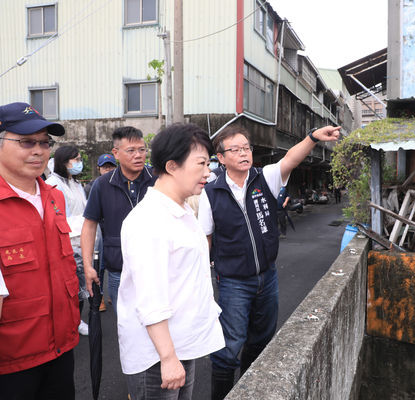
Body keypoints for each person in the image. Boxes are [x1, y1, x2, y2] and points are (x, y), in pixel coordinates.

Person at [198, 124, 340, 400]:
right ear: (221, 157)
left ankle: (249, 391)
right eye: (235, 149)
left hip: (268, 276)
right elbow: (206, 240)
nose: (243, 153)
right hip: (233, 282)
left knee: (261, 339)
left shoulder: (265, 178)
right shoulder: (210, 191)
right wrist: (204, 284)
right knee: (229, 347)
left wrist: (311, 138)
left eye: (246, 148)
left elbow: (291, 159)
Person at [118, 123, 224, 399]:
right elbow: (150, 297)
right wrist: (167, 357)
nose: (207, 172)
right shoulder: (149, 220)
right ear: (172, 166)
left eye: (208, 164)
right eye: (201, 164)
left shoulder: (182, 209)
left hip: (180, 345)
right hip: (157, 357)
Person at [0, 102, 79, 399]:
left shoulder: (54, 196)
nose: (38, 150)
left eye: (44, 142)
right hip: (12, 361)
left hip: (62, 347)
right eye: (26, 142)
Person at [81, 127, 156, 313]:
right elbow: (89, 226)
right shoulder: (102, 185)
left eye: (142, 149)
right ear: (116, 153)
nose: (138, 155)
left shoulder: (158, 179)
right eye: (131, 151)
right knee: (125, 325)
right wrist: (88, 266)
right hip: (119, 269)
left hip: (156, 268)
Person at [45, 145, 90, 335]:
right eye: (76, 160)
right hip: (69, 241)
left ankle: (76, 319)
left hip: (82, 239)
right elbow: (61, 216)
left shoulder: (75, 183)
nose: (79, 163)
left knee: (81, 285)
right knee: (72, 286)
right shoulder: (54, 184)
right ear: (64, 162)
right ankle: (74, 321)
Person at [84, 153, 118, 312]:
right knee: (100, 266)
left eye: (111, 166)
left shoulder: (119, 184)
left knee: (115, 264)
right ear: (99, 169)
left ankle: (113, 293)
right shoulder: (92, 186)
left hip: (113, 232)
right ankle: (100, 297)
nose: (108, 169)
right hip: (98, 233)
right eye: (105, 167)